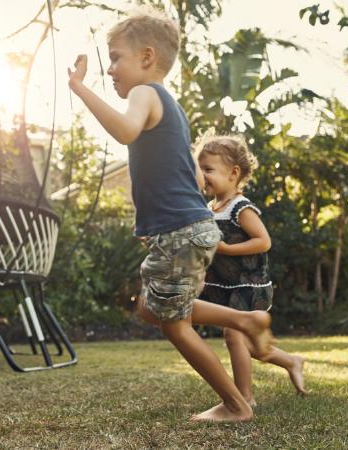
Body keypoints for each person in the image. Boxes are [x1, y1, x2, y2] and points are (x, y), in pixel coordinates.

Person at [68, 8, 273, 422]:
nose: (110, 69)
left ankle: (235, 406)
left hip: (182, 231)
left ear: (146, 57)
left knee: (173, 325)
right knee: (150, 307)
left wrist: (79, 88)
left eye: (115, 57)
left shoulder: (145, 94)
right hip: (185, 228)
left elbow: (126, 132)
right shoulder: (171, 107)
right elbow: (191, 176)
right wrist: (152, 218)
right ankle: (245, 319)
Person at [196, 134, 306, 407]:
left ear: (233, 173)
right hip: (224, 284)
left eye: (208, 169)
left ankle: (245, 397)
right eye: (200, 170)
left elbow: (263, 241)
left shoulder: (240, 207)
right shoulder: (211, 208)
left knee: (234, 334)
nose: (202, 176)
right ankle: (292, 361)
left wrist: (226, 249)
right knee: (251, 345)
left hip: (248, 284)